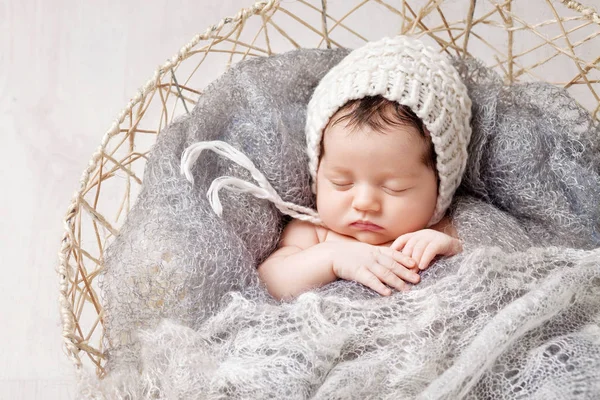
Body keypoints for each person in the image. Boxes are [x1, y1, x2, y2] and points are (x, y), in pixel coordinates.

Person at [181, 36, 472, 300]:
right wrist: (332, 257)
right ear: (318, 175)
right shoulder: (316, 233)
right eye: (341, 182)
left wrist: (448, 245)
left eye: (394, 187)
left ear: (441, 185)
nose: (364, 202)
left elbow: (495, 254)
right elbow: (270, 282)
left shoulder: (444, 228)